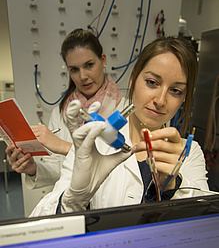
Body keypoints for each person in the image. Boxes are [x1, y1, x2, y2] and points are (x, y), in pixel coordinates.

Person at [30, 36, 210, 217]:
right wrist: (75, 198)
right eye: (152, 83)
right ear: (133, 80)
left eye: (176, 91)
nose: (160, 101)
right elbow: (40, 222)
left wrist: (172, 186)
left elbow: (202, 226)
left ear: (184, 97)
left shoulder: (190, 153)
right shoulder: (94, 144)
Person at [5, 28, 122, 189]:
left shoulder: (123, 108)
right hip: (74, 203)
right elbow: (58, 168)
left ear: (103, 60)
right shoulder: (60, 113)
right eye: (74, 69)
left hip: (112, 203)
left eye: (89, 65)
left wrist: (62, 146)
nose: (82, 76)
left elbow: (124, 165)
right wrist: (33, 169)